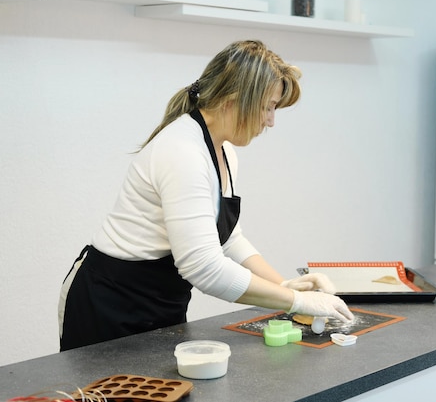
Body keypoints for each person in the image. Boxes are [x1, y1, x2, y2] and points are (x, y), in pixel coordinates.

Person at [58, 40, 353, 351]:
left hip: (159, 305)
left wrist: (282, 284)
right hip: (109, 306)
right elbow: (204, 268)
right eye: (268, 107)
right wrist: (298, 301)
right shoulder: (183, 152)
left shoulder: (222, 151)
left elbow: (228, 239)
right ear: (233, 101)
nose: (270, 121)